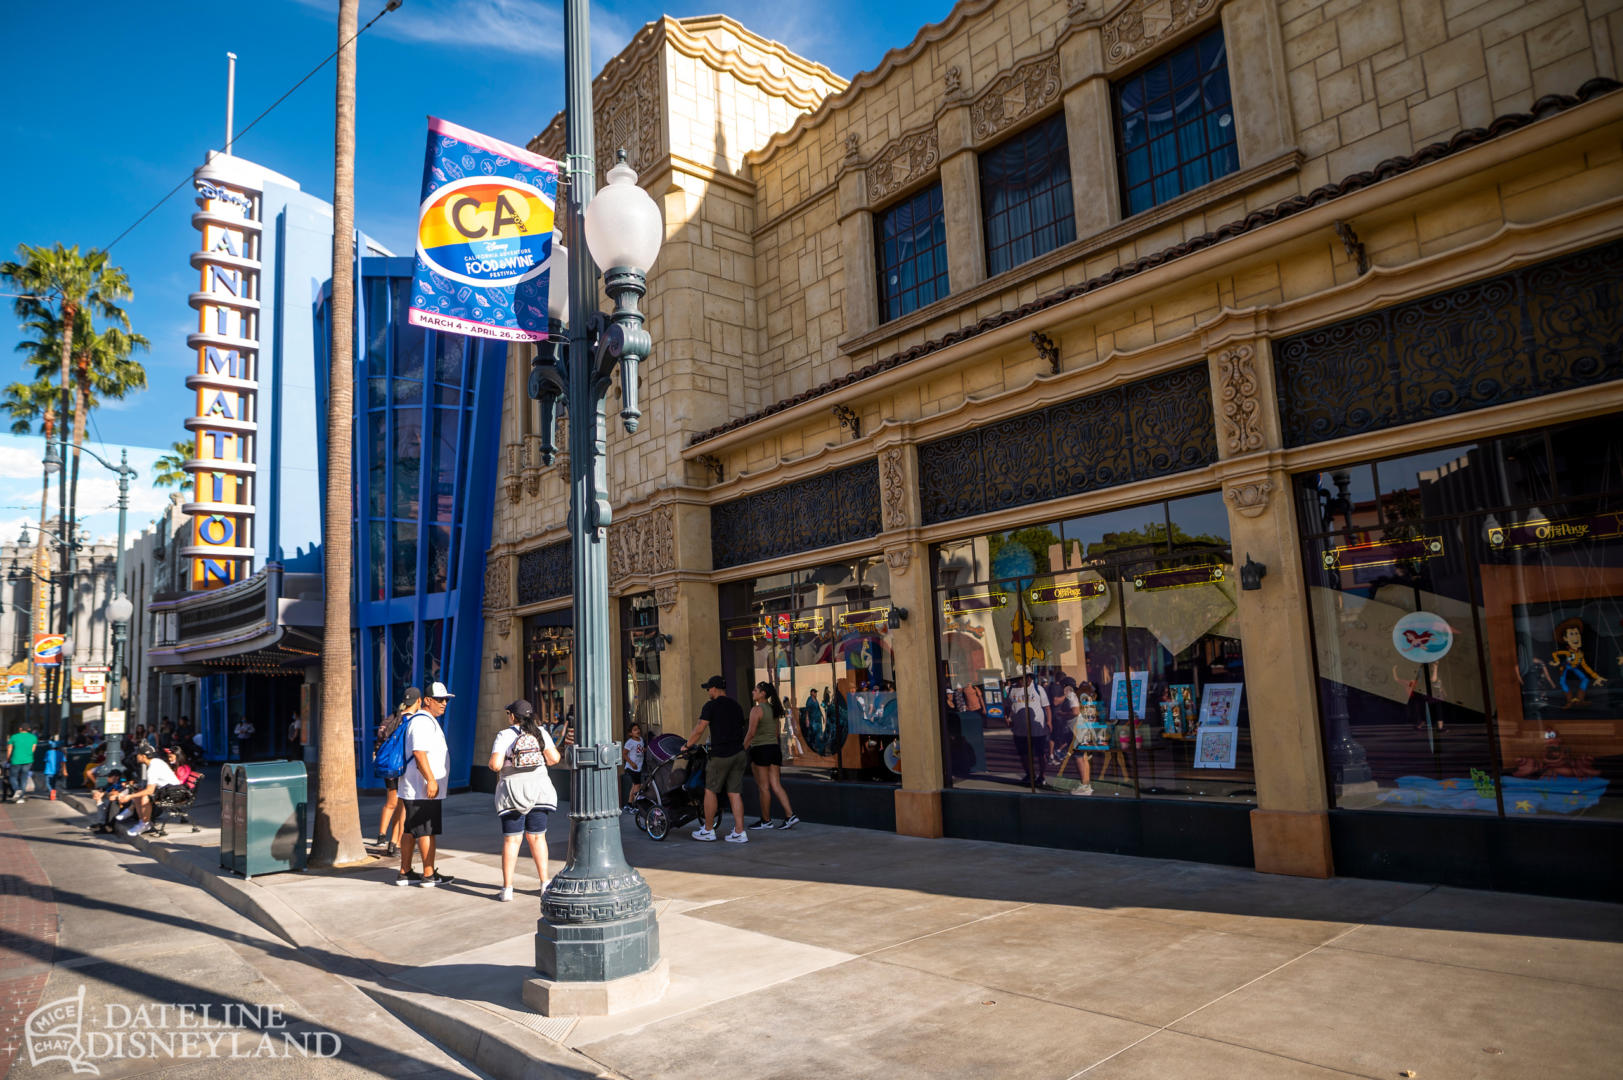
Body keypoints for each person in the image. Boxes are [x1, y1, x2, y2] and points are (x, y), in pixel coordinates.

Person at [488, 699, 563, 902]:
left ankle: (507, 889)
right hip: (539, 790)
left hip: (512, 793)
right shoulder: (541, 733)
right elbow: (554, 759)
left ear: (512, 716)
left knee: (512, 840)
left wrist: (508, 761)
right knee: (538, 837)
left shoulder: (505, 735)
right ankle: (544, 883)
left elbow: (495, 765)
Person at [396, 682, 457, 887]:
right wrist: (431, 780)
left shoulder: (424, 720)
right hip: (421, 788)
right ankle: (429, 875)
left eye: (446, 700)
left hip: (416, 787)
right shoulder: (422, 721)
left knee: (410, 829)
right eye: (440, 700)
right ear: (427, 700)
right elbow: (419, 752)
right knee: (426, 830)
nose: (444, 704)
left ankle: (405, 872)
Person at [684, 675, 751, 843]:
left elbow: (700, 728)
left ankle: (708, 830)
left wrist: (687, 745)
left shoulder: (711, 705)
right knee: (734, 793)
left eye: (709, 688)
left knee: (710, 790)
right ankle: (739, 832)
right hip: (739, 753)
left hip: (721, 754)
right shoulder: (736, 706)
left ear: (715, 688)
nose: (708, 691)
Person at [747, 682, 799, 831]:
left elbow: (751, 733)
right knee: (775, 784)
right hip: (774, 749)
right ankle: (790, 815)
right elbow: (776, 734)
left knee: (763, 787)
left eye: (755, 690)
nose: (753, 692)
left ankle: (766, 820)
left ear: (763, 694)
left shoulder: (756, 710)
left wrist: (741, 749)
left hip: (760, 749)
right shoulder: (773, 709)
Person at [375, 687, 418, 858]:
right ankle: (395, 843)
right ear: (418, 701)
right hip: (402, 768)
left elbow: (380, 740)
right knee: (402, 807)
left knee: (392, 803)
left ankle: (383, 836)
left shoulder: (393, 718)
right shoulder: (412, 720)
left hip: (390, 768)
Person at [111, 744, 185, 837]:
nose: (136, 756)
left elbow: (150, 791)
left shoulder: (152, 768)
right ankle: (141, 822)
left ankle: (145, 824)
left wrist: (129, 796)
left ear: (143, 756)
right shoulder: (156, 762)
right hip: (171, 790)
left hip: (175, 794)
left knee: (145, 797)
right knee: (139, 794)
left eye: (137, 754)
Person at [1007, 671, 1051, 787]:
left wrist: (1049, 722)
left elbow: (1047, 707)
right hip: (1019, 730)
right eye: (1021, 678)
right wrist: (1008, 718)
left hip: (1037, 730)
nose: (1025, 680)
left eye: (1028, 678)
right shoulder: (1011, 690)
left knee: (1040, 754)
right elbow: (1008, 707)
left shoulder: (1038, 689)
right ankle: (1029, 774)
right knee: (1024, 754)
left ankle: (1042, 776)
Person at [7, 723, 37, 802]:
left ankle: (16, 789)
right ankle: (21, 797)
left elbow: (9, 749)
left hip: (16, 759)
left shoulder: (14, 737)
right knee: (24, 778)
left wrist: (8, 759)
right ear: (28, 729)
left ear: (20, 729)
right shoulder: (33, 737)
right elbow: (33, 750)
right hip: (28, 760)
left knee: (13, 777)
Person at [622, 721, 645, 812]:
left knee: (634, 786)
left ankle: (629, 804)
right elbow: (624, 754)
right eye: (635, 730)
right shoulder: (630, 742)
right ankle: (636, 805)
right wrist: (632, 763)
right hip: (632, 767)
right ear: (630, 733)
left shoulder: (641, 739)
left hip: (638, 767)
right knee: (637, 785)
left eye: (638, 729)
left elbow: (641, 750)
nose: (637, 731)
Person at [42, 735, 65, 801]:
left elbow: (45, 760)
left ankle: (51, 792)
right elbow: (63, 761)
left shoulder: (48, 752)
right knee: (53, 783)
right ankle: (52, 794)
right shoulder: (60, 753)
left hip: (48, 771)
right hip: (56, 770)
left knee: (48, 783)